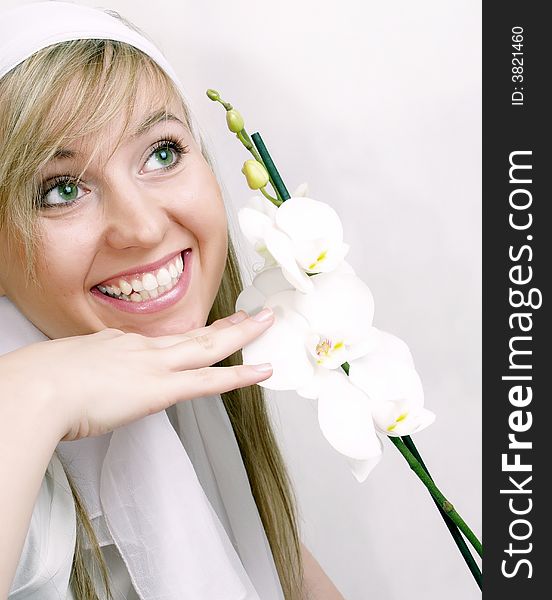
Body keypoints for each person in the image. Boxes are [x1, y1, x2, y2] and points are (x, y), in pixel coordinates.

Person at [0, 1, 346, 599]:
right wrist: (32, 394)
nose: (142, 227)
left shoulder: (185, 413)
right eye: (59, 190)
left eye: (162, 154)